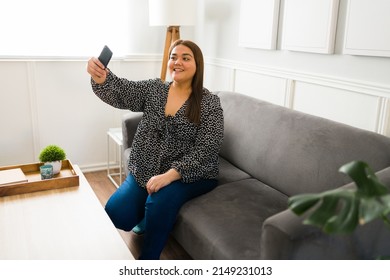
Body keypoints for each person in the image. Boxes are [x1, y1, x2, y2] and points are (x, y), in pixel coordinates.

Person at [86, 40, 224, 259]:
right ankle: (144, 217)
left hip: (190, 174)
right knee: (116, 214)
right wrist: (101, 77)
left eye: (185, 58)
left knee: (159, 202)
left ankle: (148, 261)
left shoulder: (209, 103)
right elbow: (123, 90)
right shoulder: (154, 89)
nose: (177, 62)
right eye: (173, 57)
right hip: (146, 168)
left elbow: (208, 147)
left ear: (198, 65)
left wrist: (169, 176)